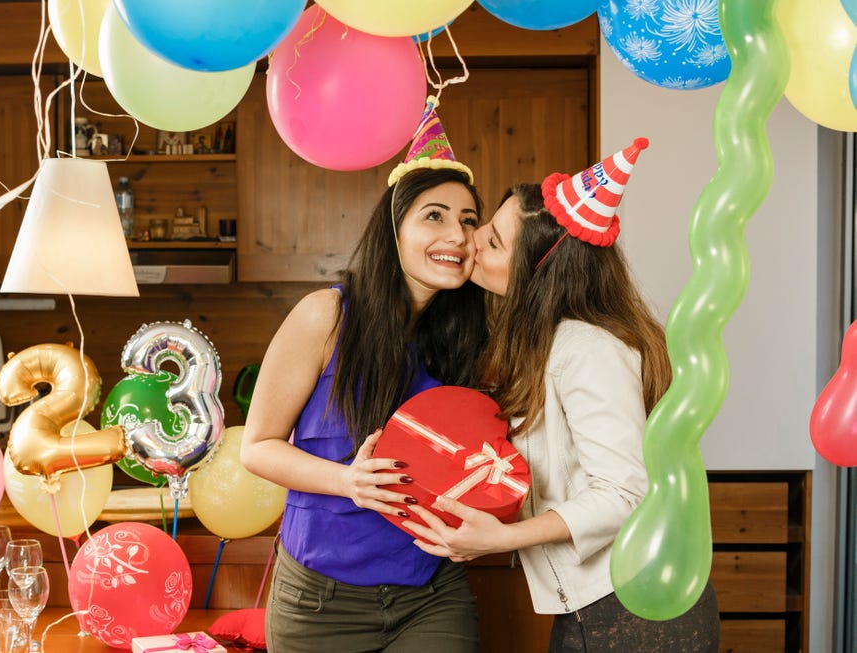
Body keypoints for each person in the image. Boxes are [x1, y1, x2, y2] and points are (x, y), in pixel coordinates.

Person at [405, 139, 721, 652]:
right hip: (600, 604)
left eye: (491, 243)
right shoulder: (549, 342)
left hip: (633, 609)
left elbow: (625, 493)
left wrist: (501, 537)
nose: (471, 245)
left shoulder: (587, 348)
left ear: (540, 270)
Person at [240, 98, 487, 653]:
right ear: (393, 230)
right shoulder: (324, 316)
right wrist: (346, 481)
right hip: (318, 604)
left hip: (431, 592)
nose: (456, 234)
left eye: (469, 221)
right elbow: (256, 447)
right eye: (434, 215)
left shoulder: (466, 340)